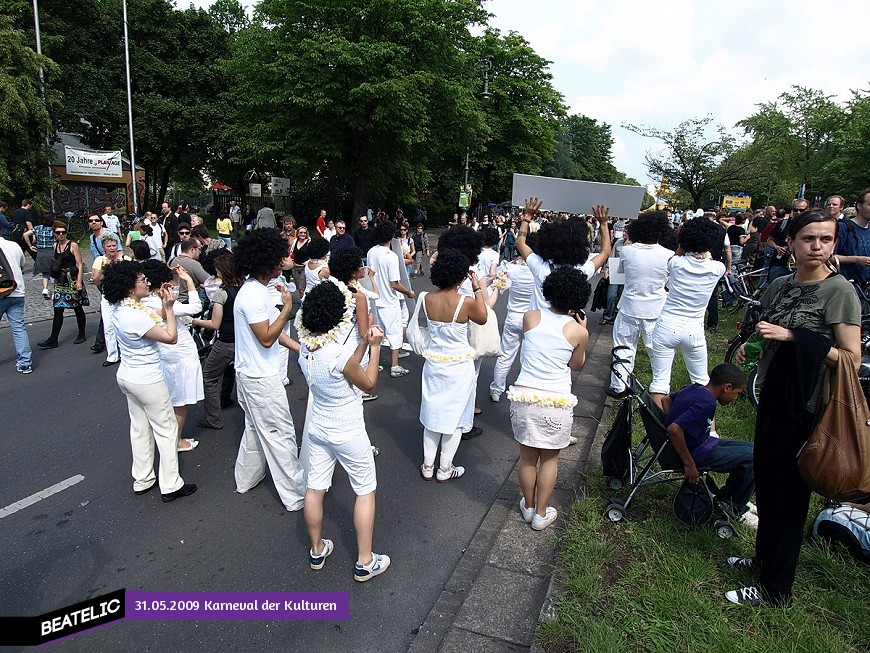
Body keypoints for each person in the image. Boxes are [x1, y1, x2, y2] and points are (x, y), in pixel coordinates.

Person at [726, 209, 861, 607]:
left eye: (826, 239)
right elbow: (765, 333)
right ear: (791, 242)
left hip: (808, 404)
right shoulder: (780, 285)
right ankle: (763, 560)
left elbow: (851, 358)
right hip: (774, 396)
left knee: (788, 495)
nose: (817, 247)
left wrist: (794, 336)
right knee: (768, 481)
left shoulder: (839, 291)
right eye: (808, 239)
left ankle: (775, 589)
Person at [296, 280, 389, 580]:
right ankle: (364, 560)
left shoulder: (306, 348)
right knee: (365, 489)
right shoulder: (336, 352)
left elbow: (348, 365)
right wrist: (374, 348)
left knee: (315, 487)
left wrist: (362, 343)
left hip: (319, 428)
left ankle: (317, 548)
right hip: (347, 430)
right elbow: (368, 382)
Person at [102, 260, 197, 502]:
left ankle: (143, 478)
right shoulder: (135, 315)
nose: (146, 283)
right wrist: (170, 309)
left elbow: (155, 313)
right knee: (165, 431)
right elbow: (170, 337)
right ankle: (171, 484)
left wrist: (166, 307)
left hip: (128, 376)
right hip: (147, 379)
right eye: (141, 280)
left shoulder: (123, 309)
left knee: (140, 428)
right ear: (129, 287)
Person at [510, 266, 590, 530]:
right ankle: (541, 514)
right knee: (550, 459)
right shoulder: (578, 331)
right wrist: (582, 332)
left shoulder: (530, 317)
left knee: (527, 458)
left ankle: (528, 505)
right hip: (556, 399)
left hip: (524, 395)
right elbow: (576, 365)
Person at [232, 228, 306, 511]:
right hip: (260, 378)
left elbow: (276, 333)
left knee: (255, 429)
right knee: (280, 435)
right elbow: (266, 337)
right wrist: (287, 309)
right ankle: (297, 495)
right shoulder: (251, 295)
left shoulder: (259, 290)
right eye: (279, 259)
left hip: (254, 375)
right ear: (265, 262)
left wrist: (305, 350)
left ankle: (246, 479)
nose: (283, 262)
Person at [418, 249, 488, 482]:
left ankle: (428, 465)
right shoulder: (465, 302)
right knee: (455, 418)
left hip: (434, 364)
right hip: (459, 366)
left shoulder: (427, 298)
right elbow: (483, 317)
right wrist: (477, 287)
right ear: (461, 277)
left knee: (432, 415)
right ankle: (445, 469)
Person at [663, 363, 757, 528]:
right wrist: (689, 463)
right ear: (727, 387)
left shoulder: (693, 388)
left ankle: (729, 498)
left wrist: (674, 421)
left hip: (704, 442)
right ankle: (735, 509)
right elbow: (674, 429)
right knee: (754, 458)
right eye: (737, 393)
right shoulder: (707, 403)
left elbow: (665, 400)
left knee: (755, 450)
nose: (735, 399)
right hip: (697, 453)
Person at [649, 217, 725, 407]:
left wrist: (683, 245)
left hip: (667, 325)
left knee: (660, 382)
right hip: (694, 330)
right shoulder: (718, 268)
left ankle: (657, 432)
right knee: (702, 383)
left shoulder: (675, 263)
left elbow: (676, 255)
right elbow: (710, 258)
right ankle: (710, 431)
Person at [607, 213, 673, 398]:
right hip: (656, 308)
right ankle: (661, 386)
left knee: (623, 348)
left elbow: (620, 272)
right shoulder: (668, 255)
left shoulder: (627, 251)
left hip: (629, 306)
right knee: (657, 350)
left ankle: (618, 386)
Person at [141, 261, 204, 452]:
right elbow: (194, 307)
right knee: (179, 401)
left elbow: (172, 299)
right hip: (179, 354)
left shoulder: (145, 301)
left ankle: (168, 438)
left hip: (165, 354)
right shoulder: (157, 303)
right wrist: (188, 281)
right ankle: (176, 441)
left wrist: (175, 279)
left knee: (169, 399)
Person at [514, 198, 611, 309]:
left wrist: (527, 218)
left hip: (538, 323)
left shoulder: (540, 268)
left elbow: (520, 242)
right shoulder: (581, 271)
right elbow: (605, 252)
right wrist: (603, 224)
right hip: (567, 325)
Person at [193, 254, 241, 430]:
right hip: (241, 341)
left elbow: (215, 324)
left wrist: (195, 321)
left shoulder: (221, 294)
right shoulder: (243, 289)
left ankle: (214, 418)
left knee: (209, 376)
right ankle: (226, 397)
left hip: (226, 341)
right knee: (232, 370)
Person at [329, 246, 381, 402]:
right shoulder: (358, 296)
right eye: (360, 264)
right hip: (354, 345)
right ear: (352, 271)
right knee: (353, 394)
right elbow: (363, 331)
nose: (363, 266)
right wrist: (370, 319)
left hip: (335, 342)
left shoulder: (332, 289)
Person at [489, 234, 536, 402]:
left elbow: (499, 286)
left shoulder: (510, 268)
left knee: (506, 354)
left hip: (513, 316)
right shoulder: (538, 270)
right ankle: (524, 389)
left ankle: (496, 389)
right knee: (528, 356)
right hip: (532, 319)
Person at [368, 221, 415, 377]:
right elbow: (394, 283)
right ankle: (395, 366)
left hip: (375, 299)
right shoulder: (392, 256)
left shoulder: (371, 252)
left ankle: (375, 363)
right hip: (389, 300)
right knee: (394, 333)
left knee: (376, 332)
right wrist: (408, 292)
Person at [38, 222, 87, 349]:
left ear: (66, 233)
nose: (61, 235)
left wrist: (79, 281)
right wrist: (53, 284)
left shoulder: (73, 245)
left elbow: (79, 264)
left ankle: (82, 334)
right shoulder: (55, 246)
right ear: (54, 234)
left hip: (72, 279)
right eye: (58, 232)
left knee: (77, 307)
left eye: (63, 232)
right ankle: (53, 339)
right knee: (58, 309)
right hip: (60, 280)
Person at [90, 231, 130, 364]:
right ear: (104, 248)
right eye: (109, 246)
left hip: (123, 296)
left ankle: (126, 352)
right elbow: (95, 279)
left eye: (114, 245)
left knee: (125, 325)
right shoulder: (99, 260)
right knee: (108, 327)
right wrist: (103, 268)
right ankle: (112, 356)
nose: (112, 248)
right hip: (107, 296)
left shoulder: (125, 259)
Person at [0, 231, 33, 373]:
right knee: (18, 328)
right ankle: (25, 362)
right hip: (17, 292)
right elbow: (22, 264)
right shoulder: (14, 245)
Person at [834, 189, 870, 287]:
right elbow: (829, 257)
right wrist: (856, 259)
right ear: (859, 206)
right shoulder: (843, 227)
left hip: (866, 290)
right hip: (847, 286)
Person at [22, 214, 56, 299]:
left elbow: (25, 235)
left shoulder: (38, 228)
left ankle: (45, 289)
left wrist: (30, 246)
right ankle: (53, 292)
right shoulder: (54, 229)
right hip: (51, 252)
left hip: (41, 253)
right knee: (53, 273)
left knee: (45, 273)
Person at [291, 226, 311, 296]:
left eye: (304, 233)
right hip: (295, 267)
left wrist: (308, 261)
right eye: (301, 233)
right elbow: (291, 253)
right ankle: (302, 301)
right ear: (298, 234)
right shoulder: (295, 241)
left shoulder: (309, 242)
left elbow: (313, 254)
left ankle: (303, 304)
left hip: (304, 268)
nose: (303, 234)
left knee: (301, 288)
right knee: (298, 287)